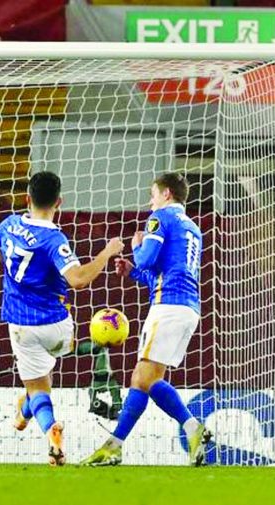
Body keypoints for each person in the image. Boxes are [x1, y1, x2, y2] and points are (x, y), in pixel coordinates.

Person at [0, 171, 123, 465]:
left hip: (20, 326)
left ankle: (49, 427)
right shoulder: (54, 239)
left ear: (26, 198)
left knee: (39, 388)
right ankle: (25, 409)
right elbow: (78, 279)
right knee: (49, 366)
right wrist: (107, 252)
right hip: (58, 328)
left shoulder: (8, 225)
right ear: (59, 202)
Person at [81, 173, 211, 467]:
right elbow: (161, 271)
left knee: (143, 378)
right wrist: (133, 271)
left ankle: (121, 445)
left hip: (168, 307)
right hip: (187, 308)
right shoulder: (191, 227)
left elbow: (147, 258)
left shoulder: (159, 218)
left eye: (153, 194)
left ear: (166, 194)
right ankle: (183, 431)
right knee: (146, 380)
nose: (150, 201)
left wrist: (136, 245)